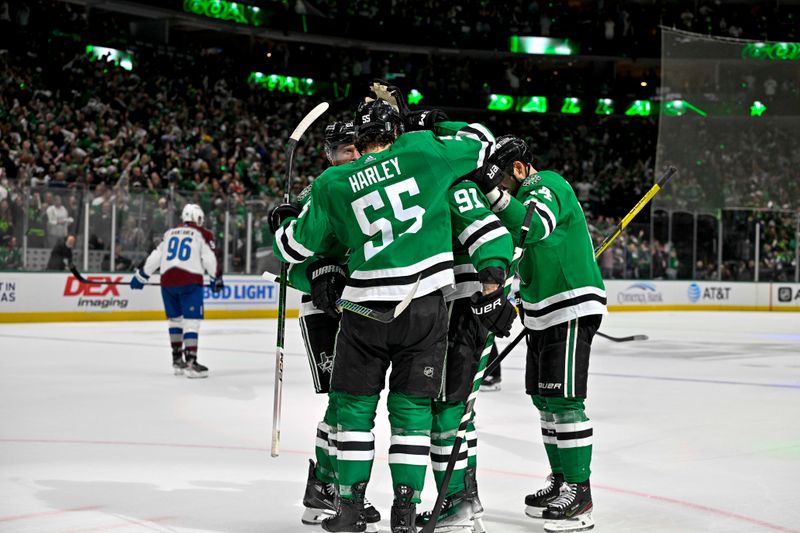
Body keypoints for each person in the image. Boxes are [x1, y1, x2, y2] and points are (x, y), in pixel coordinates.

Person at [272, 98, 502, 533]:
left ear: (359, 142)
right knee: (398, 410)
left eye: (348, 146)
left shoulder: (331, 182)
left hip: (360, 305)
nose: (343, 155)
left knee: (355, 409)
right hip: (421, 303)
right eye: (335, 149)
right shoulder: (423, 151)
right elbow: (483, 143)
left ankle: (350, 503)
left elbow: (291, 249)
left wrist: (284, 227)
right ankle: (397, 506)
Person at [474, 136, 607, 533]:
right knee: (544, 399)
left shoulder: (543, 183)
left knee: (565, 401)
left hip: (568, 304)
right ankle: (563, 480)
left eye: (504, 183)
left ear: (518, 169)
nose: (501, 193)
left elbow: (535, 227)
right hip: (541, 309)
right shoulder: (521, 195)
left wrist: (495, 197)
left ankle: (579, 496)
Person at [270, 121, 382, 532]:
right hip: (324, 312)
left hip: (364, 305)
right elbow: (292, 263)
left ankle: (327, 487)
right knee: (342, 398)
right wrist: (316, 272)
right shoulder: (316, 192)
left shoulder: (377, 184)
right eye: (344, 151)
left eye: (358, 148)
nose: (352, 156)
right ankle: (327, 487)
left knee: (355, 401)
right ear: (329, 156)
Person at [130, 204, 223, 378]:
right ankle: (191, 362)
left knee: (175, 321)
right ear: (198, 218)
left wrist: (142, 276)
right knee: (191, 322)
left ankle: (177, 361)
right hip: (190, 281)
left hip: (167, 282)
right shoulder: (203, 234)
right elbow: (210, 258)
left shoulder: (169, 233)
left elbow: (156, 257)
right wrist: (215, 277)